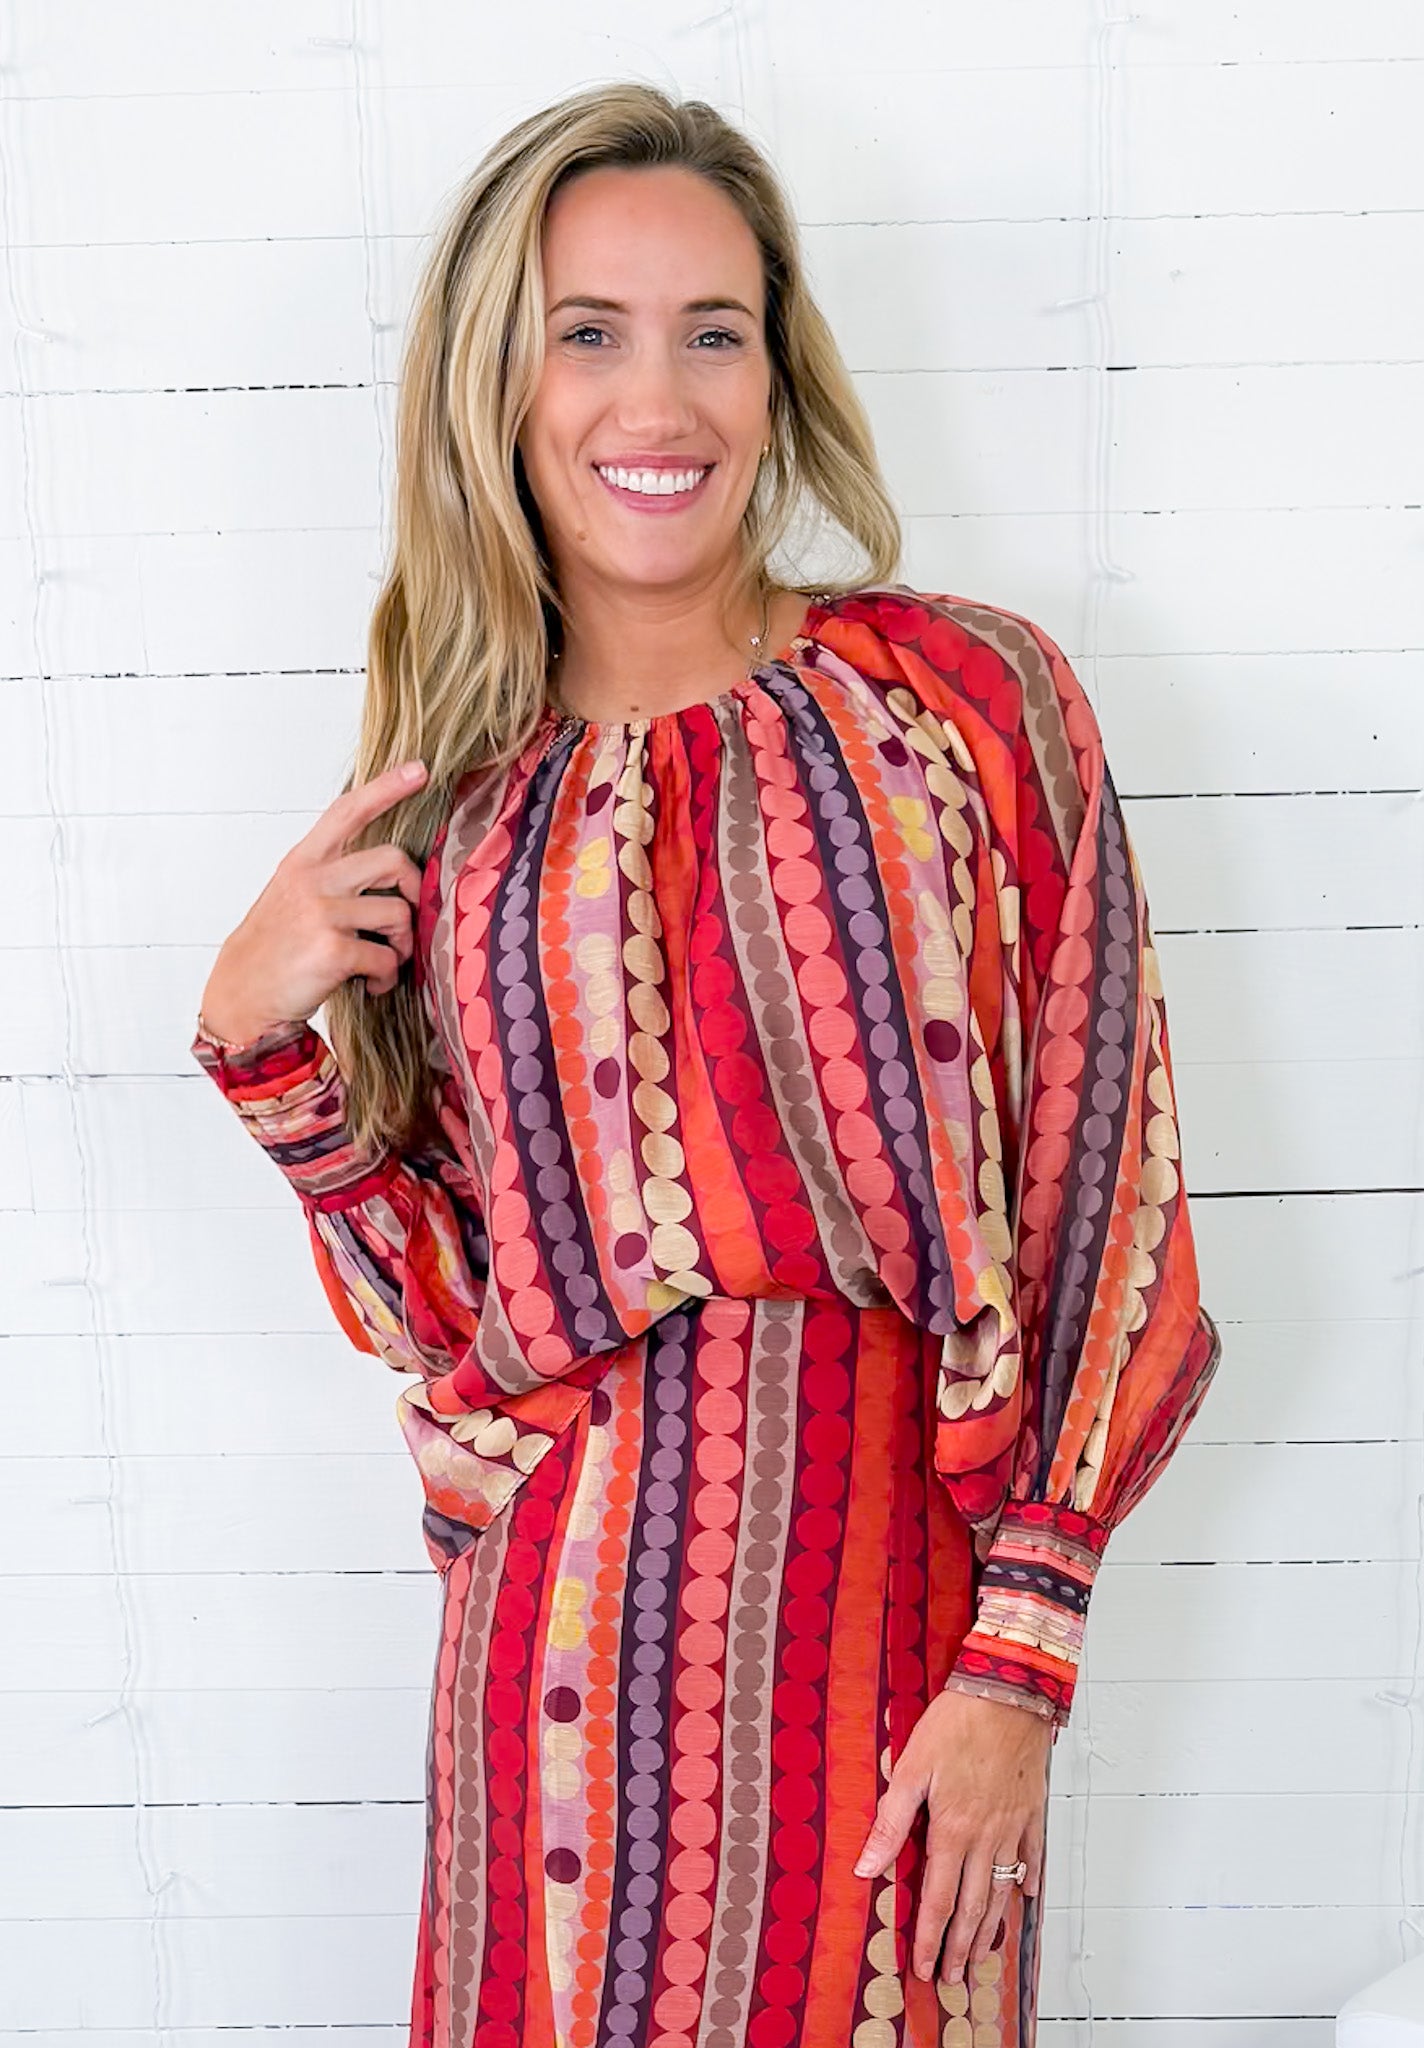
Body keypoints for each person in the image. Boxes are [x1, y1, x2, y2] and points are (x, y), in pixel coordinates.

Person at [192, 80, 1221, 2048]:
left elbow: (1104, 1186)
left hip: (891, 1618)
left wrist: (1020, 1659)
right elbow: (451, 1324)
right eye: (587, 331)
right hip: (556, 1661)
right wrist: (265, 1056)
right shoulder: (449, 810)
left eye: (711, 330)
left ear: (778, 367)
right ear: (499, 382)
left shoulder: (961, 707)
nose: (653, 400)